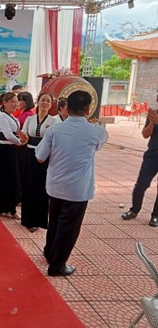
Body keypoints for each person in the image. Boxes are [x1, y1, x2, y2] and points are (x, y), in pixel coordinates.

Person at [36, 90, 107, 277]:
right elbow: (99, 145)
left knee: (55, 221)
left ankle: (50, 252)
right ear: (89, 108)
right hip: (77, 189)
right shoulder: (96, 131)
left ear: (66, 107)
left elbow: (40, 157)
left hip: (55, 185)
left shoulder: (54, 129)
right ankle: (57, 266)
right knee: (69, 227)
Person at [20, 93, 59, 232]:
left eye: (48, 101)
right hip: (29, 155)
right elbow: (23, 139)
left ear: (51, 104)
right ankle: (27, 219)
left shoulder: (55, 122)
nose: (45, 103)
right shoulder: (30, 119)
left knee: (41, 187)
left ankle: (39, 219)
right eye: (43, 100)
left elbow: (56, 141)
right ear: (38, 102)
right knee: (28, 185)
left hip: (45, 157)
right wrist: (22, 137)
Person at [0, 92, 28, 217]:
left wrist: (22, 139)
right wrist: (20, 143)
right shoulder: (2, 116)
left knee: (12, 179)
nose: (15, 104)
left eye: (16, 101)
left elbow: (16, 132)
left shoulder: (11, 116)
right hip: (3, 151)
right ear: (4, 103)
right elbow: (8, 135)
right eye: (12, 101)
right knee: (2, 179)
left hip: (11, 150)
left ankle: (11, 207)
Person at [122, 96, 158, 227]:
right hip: (152, 155)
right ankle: (134, 210)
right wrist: (153, 123)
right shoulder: (153, 115)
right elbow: (145, 135)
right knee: (141, 185)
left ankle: (155, 216)